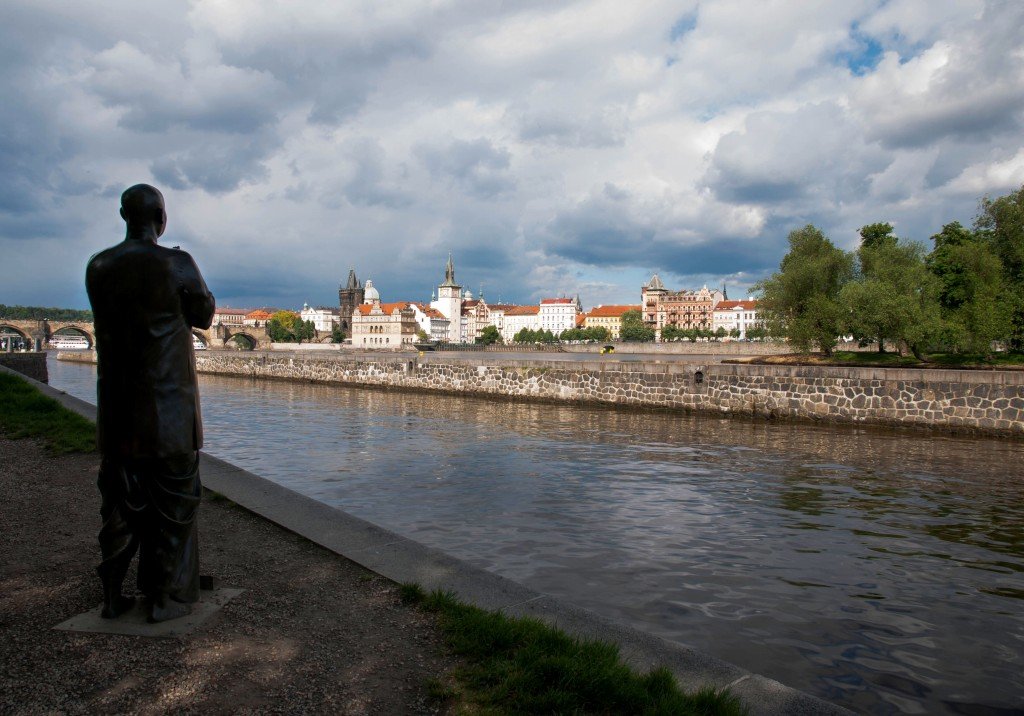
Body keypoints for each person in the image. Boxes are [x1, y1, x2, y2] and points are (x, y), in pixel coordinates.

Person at [85, 184, 215, 623]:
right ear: (162, 217)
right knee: (175, 505)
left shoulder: (98, 266)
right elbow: (204, 314)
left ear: (124, 216)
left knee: (119, 506)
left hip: (118, 410)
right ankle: (166, 597)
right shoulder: (177, 263)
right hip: (169, 412)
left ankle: (111, 596)